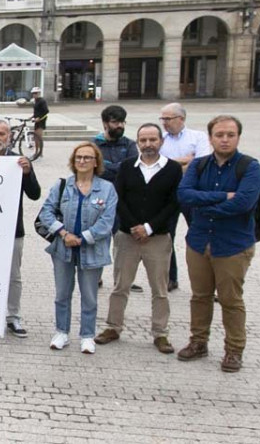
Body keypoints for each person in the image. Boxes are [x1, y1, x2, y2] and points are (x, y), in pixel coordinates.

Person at [176, 115, 260, 373]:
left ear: (238, 137)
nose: (225, 139)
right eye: (219, 135)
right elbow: (184, 194)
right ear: (211, 137)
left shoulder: (249, 167)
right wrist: (223, 197)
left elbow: (245, 203)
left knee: (230, 299)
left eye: (230, 135)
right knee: (200, 296)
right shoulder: (199, 165)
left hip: (233, 245)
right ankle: (198, 342)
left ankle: (234, 350)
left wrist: (206, 206)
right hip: (199, 242)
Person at [95, 124, 182, 354]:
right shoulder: (127, 167)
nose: (148, 144)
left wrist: (150, 227)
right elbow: (118, 197)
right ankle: (113, 327)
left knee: (159, 289)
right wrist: (134, 226)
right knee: (120, 286)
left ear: (161, 141)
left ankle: (160, 333)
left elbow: (174, 203)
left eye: (152, 139)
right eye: (143, 140)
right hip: (127, 236)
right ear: (138, 142)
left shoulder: (173, 169)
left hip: (158, 238)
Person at [38, 142, 117, 354]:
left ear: (96, 162)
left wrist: (83, 238)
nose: (82, 161)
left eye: (87, 158)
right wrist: (63, 233)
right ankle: (61, 332)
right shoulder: (63, 185)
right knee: (62, 293)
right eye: (78, 157)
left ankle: (87, 335)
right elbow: (46, 212)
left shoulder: (107, 189)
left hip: (92, 250)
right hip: (63, 248)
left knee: (89, 295)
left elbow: (107, 221)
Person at [0, 120, 41, 338]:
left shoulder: (19, 162)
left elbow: (34, 194)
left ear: (9, 137)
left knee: (13, 276)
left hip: (12, 230)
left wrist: (27, 173)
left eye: (2, 134)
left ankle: (13, 317)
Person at [159, 102, 212, 292]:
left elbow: (202, 164)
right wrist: (185, 161)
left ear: (181, 119)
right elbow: (156, 165)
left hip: (193, 195)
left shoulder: (198, 137)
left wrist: (171, 164)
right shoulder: (160, 139)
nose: (164, 122)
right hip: (168, 195)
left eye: (168, 118)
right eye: (162, 119)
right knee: (166, 238)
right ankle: (170, 278)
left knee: (200, 234)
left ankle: (207, 283)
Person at [94, 105, 140, 291]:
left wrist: (107, 166)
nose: (119, 125)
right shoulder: (94, 145)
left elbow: (133, 168)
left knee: (122, 244)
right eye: (115, 122)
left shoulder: (129, 145)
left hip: (124, 202)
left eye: (122, 122)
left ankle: (122, 280)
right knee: (98, 241)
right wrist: (118, 167)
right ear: (105, 123)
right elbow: (95, 169)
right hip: (99, 201)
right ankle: (95, 276)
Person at [30, 87, 48, 159]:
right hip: (36, 120)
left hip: (41, 121)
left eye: (35, 93)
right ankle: (36, 151)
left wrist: (39, 118)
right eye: (33, 93)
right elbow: (36, 111)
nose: (34, 95)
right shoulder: (36, 101)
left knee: (39, 137)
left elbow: (46, 111)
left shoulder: (42, 101)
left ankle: (40, 152)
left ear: (38, 93)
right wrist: (32, 117)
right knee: (35, 137)